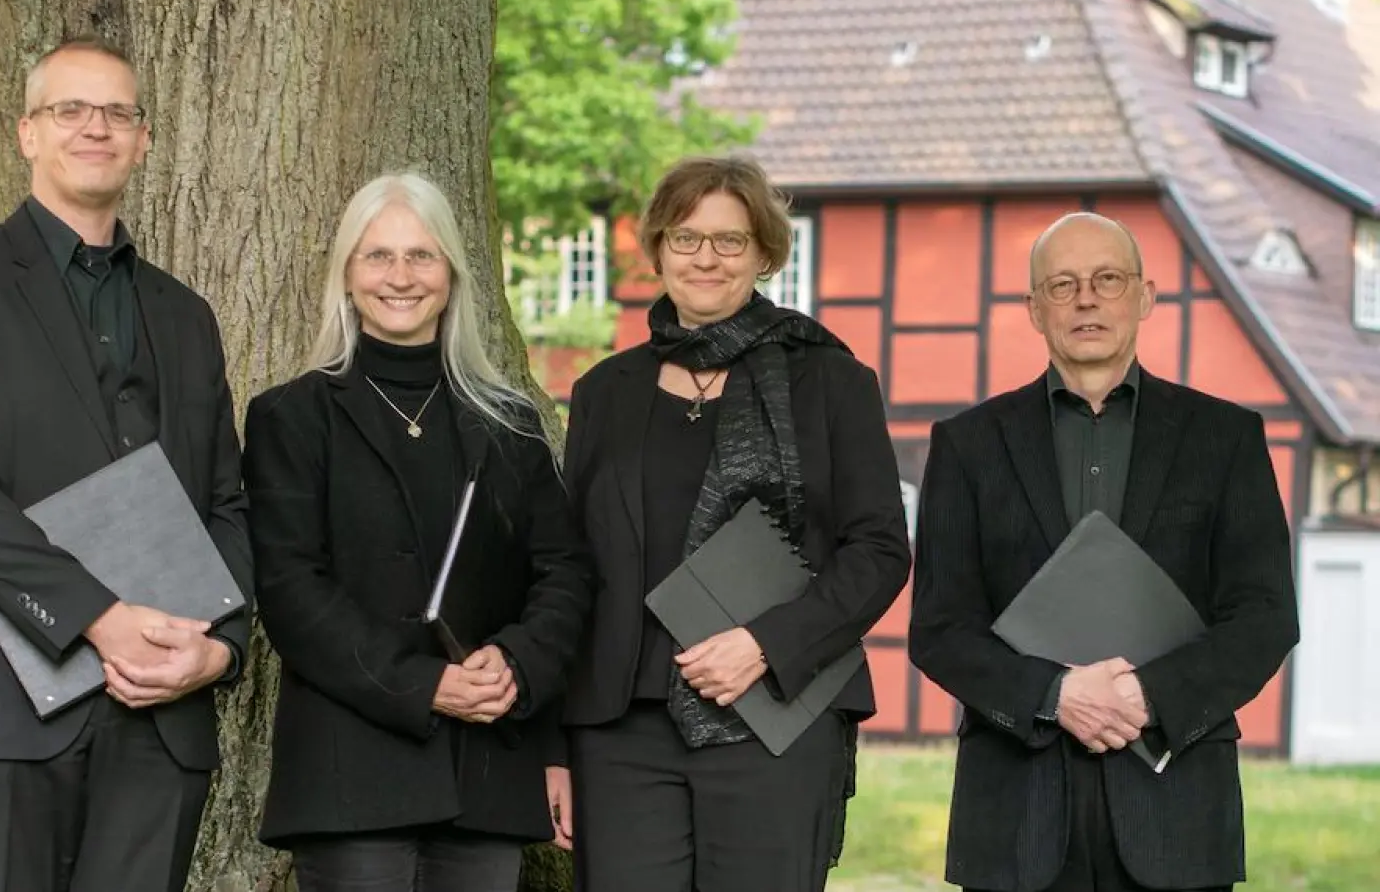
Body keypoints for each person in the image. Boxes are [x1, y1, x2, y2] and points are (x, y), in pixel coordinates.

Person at [0, 37, 254, 892]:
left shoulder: (185, 315)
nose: (97, 128)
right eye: (70, 110)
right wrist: (98, 616)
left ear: (144, 139)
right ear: (27, 134)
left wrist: (219, 651)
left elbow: (225, 502)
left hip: (163, 711)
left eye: (118, 112)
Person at [908, 212, 1300, 892]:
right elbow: (940, 629)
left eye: (1107, 279)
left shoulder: (1226, 438)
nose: (1086, 298)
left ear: (1145, 297)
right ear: (1034, 309)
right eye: (1062, 284)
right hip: (1015, 819)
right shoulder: (966, 445)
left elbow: (1264, 616)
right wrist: (1055, 696)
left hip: (1177, 811)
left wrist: (1147, 696)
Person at [554, 155, 912, 892]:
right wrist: (552, 749)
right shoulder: (604, 393)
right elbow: (568, 571)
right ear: (656, 249)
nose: (706, 259)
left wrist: (764, 644)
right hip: (620, 733)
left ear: (764, 254)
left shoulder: (831, 382)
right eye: (686, 239)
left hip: (775, 713)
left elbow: (878, 549)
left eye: (730, 241)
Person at [243, 171, 593, 892]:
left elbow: (565, 573)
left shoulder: (511, 425)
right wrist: (423, 685)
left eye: (421, 256)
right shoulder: (292, 417)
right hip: (351, 776)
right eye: (378, 256)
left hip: (486, 775)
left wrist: (518, 663)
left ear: (453, 274)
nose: (400, 276)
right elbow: (289, 589)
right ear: (347, 273)